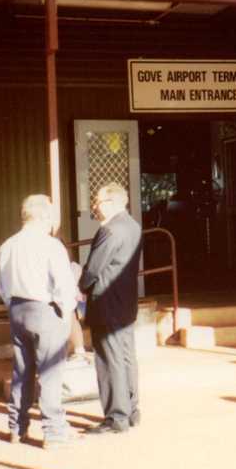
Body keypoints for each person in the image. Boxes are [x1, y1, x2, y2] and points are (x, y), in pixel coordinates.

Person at [0, 194, 78, 450]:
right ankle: (53, 431)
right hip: (45, 310)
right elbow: (64, 285)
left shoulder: (7, 246)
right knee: (50, 372)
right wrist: (66, 312)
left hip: (18, 309)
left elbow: (2, 286)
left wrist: (13, 307)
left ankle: (16, 428)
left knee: (22, 370)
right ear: (44, 216)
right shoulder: (51, 245)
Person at [79, 182, 143, 434]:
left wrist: (81, 284)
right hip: (125, 302)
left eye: (97, 202)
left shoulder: (110, 230)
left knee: (108, 359)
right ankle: (131, 409)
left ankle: (116, 416)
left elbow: (94, 268)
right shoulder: (133, 226)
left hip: (106, 302)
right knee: (126, 357)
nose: (94, 206)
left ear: (112, 202)